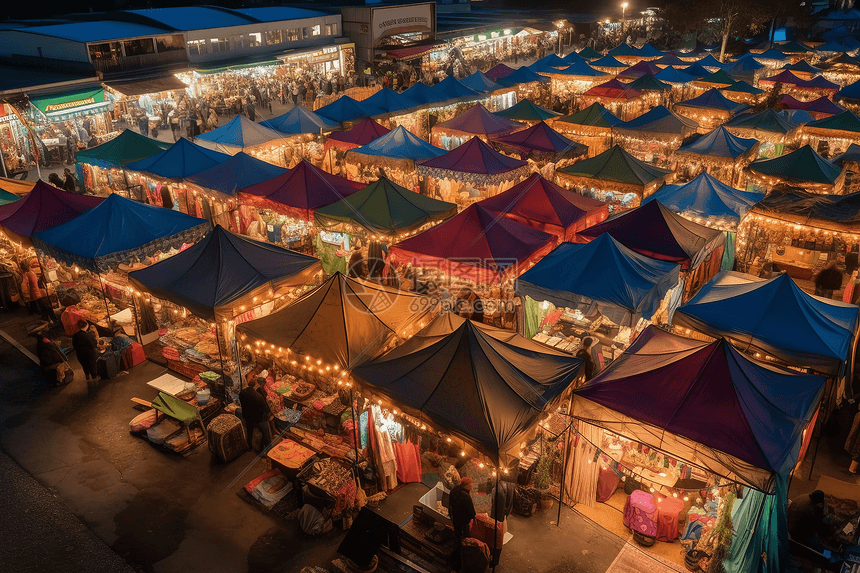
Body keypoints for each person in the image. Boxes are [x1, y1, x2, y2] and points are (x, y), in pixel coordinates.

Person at [448, 476, 477, 571]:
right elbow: (472, 513)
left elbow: (450, 505)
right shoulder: (466, 497)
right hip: (463, 521)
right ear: (466, 485)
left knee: (457, 534)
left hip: (455, 518)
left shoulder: (454, 490)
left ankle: (456, 545)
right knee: (463, 538)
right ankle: (459, 557)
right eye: (471, 485)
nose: (471, 487)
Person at [20, 260, 58, 325]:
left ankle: (45, 319)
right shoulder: (28, 275)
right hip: (37, 293)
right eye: (29, 266)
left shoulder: (28, 273)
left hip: (37, 293)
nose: (30, 266)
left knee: (44, 308)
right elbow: (28, 285)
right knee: (47, 308)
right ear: (27, 267)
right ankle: (54, 320)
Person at [239, 378, 272, 451]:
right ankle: (269, 449)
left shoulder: (242, 393)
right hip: (258, 419)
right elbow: (266, 409)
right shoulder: (258, 396)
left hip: (247, 417)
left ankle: (249, 447)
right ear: (255, 385)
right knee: (266, 433)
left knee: (249, 432)